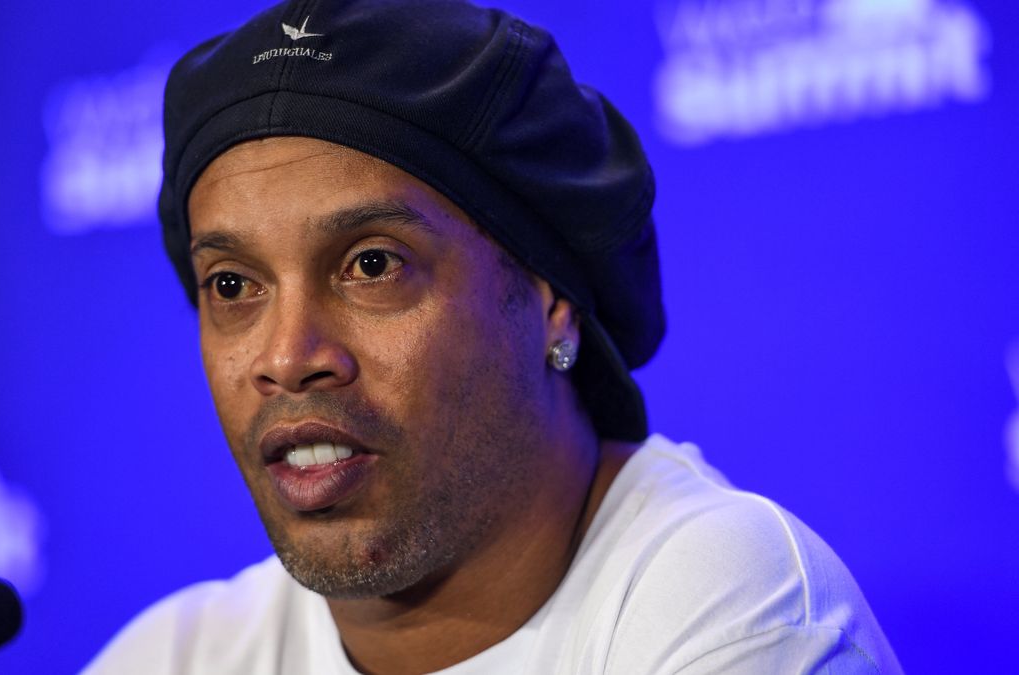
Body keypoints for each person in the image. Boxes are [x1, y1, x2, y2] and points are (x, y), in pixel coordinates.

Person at [85, 0, 901, 672]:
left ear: (551, 298)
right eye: (232, 285)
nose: (288, 357)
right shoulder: (177, 655)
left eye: (372, 264)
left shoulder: (730, 611)